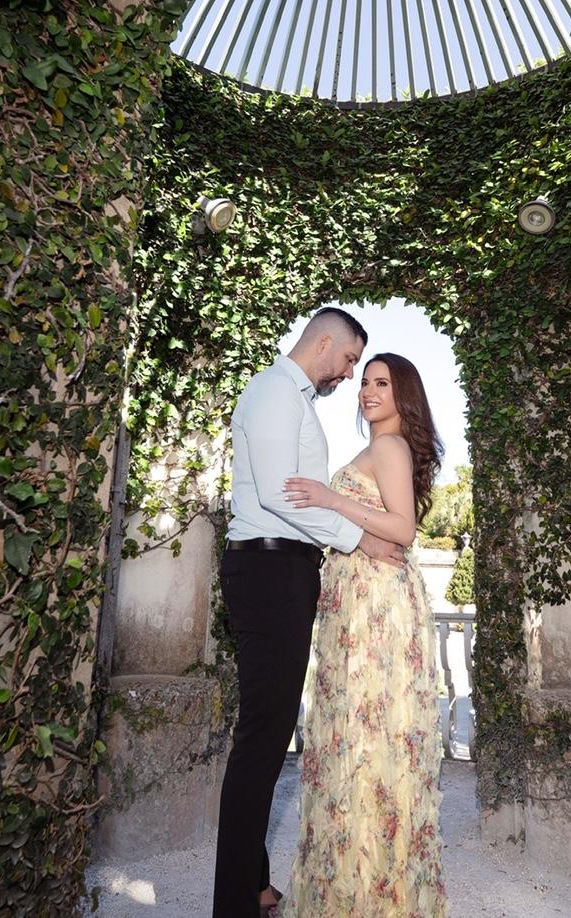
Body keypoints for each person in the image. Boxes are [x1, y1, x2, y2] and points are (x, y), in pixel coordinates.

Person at [212, 308, 406, 918]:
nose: (349, 376)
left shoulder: (292, 398)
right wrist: (359, 538)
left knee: (266, 736)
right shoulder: (275, 391)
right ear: (324, 343)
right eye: (349, 361)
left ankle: (254, 885)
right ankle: (233, 906)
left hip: (281, 569)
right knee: (261, 741)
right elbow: (278, 494)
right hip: (269, 569)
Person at [282, 353, 448, 917]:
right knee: (353, 738)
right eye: (366, 383)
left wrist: (331, 498)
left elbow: (403, 529)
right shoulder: (380, 447)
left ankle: (373, 894)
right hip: (358, 601)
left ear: (404, 395)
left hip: (377, 606)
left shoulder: (389, 447)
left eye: (382, 383)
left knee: (368, 738)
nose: (367, 391)